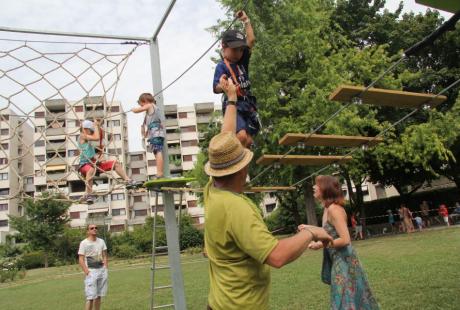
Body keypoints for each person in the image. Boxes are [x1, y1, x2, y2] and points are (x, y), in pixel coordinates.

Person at [204, 77, 332, 309]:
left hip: (219, 304)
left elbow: (224, 139)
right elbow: (277, 255)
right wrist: (312, 232)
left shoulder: (212, 190)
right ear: (243, 167)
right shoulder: (237, 209)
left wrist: (232, 100)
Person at [307, 175, 379, 310]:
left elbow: (345, 239)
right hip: (337, 258)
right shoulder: (327, 208)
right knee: (347, 297)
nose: (314, 187)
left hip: (344, 260)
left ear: (325, 188)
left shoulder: (335, 209)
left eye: (317, 185)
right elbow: (328, 234)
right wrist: (309, 230)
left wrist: (320, 245)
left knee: (343, 297)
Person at [213, 10, 260, 148]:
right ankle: (234, 160)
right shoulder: (222, 66)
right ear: (224, 46)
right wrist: (223, 85)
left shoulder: (242, 61)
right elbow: (216, 87)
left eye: (241, 50)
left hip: (248, 104)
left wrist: (246, 21)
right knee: (241, 136)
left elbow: (251, 40)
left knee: (248, 141)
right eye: (235, 50)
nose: (238, 53)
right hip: (235, 105)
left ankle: (244, 168)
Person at [78, 119, 136, 203]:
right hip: (84, 165)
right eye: (91, 131)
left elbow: (99, 139)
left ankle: (128, 180)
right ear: (86, 129)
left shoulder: (89, 141)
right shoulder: (82, 136)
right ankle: (88, 194)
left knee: (115, 164)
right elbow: (97, 137)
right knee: (91, 170)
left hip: (94, 164)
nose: (92, 132)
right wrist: (95, 126)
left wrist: (97, 126)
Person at [131, 93, 165, 178]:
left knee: (157, 151)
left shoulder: (149, 105)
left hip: (155, 132)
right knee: (156, 151)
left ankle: (160, 172)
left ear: (145, 101)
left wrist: (134, 109)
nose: (141, 105)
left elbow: (138, 110)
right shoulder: (155, 108)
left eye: (141, 103)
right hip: (156, 131)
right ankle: (159, 172)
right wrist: (146, 132)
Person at [78, 224, 108, 310]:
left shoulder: (101, 241)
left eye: (96, 228)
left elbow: (105, 255)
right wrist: (87, 272)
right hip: (91, 272)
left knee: (99, 296)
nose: (94, 229)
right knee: (90, 297)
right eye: (92, 228)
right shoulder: (84, 243)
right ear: (88, 231)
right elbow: (81, 259)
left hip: (101, 271)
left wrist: (105, 268)